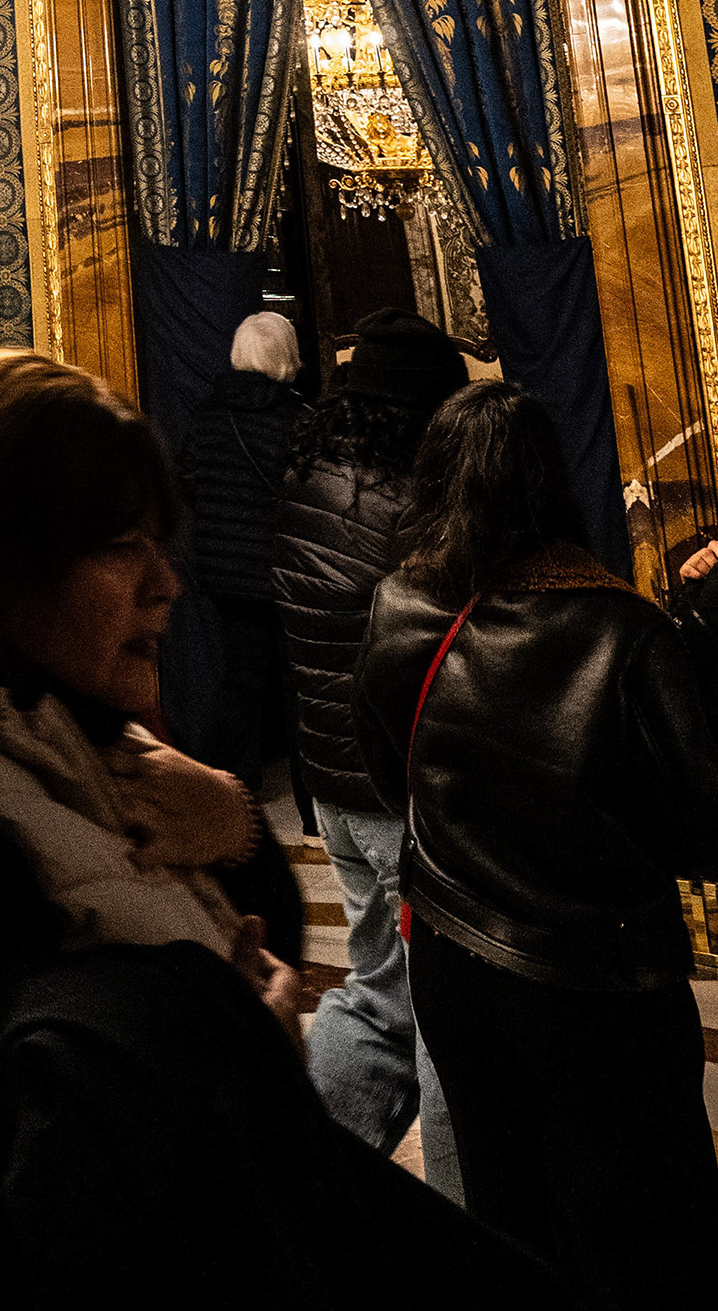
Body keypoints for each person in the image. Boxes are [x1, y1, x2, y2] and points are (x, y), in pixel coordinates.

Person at [0, 350, 536, 1310]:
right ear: (0, 557)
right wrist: (227, 1059)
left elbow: (241, 918)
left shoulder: (42, 720)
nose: (164, 585)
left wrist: (230, 824)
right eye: (117, 546)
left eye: (159, 542)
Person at [356, 382, 718, 1307]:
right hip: (602, 985)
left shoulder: (399, 606)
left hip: (455, 962)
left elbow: (382, 773)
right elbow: (705, 829)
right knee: (642, 1233)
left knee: (507, 1210)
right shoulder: (621, 633)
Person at [273, 306, 467, 1199]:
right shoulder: (413, 507)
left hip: (333, 782)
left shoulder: (309, 473)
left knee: (376, 992)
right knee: (445, 1013)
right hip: (396, 791)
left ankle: (307, 1182)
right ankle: (473, 1219)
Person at [175, 310, 305, 798]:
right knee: (301, 686)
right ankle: (313, 800)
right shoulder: (296, 418)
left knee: (238, 683)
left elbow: (189, 482)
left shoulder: (207, 415)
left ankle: (236, 787)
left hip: (225, 571)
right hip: (285, 569)